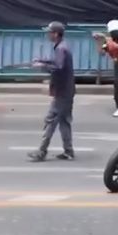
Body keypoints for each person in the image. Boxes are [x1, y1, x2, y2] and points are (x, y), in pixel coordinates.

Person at [28, 21, 75, 162]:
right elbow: (56, 62)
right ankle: (68, 151)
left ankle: (42, 151)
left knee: (51, 120)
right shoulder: (62, 47)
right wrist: (42, 60)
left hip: (62, 91)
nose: (48, 35)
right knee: (64, 121)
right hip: (67, 90)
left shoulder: (61, 48)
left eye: (50, 32)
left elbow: (58, 67)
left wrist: (42, 66)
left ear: (56, 34)